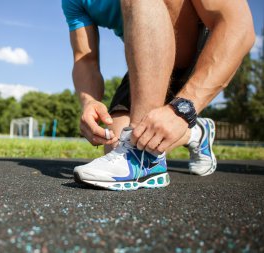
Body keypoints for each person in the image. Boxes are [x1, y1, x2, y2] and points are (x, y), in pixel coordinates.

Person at [62, 0, 255, 190]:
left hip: (204, 51)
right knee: (115, 143)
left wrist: (184, 108)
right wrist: (89, 101)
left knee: (137, 146)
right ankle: (196, 132)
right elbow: (85, 59)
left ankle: (144, 159)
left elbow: (238, 26)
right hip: (150, 63)